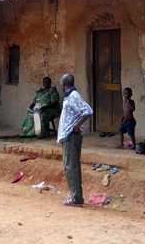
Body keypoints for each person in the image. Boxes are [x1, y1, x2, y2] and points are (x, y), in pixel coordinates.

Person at [57, 73, 93, 207]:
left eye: (61, 83)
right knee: (70, 166)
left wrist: (76, 126)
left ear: (64, 84)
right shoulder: (70, 97)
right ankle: (75, 196)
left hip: (72, 136)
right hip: (69, 137)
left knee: (71, 166)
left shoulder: (73, 96)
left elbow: (88, 111)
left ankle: (77, 199)